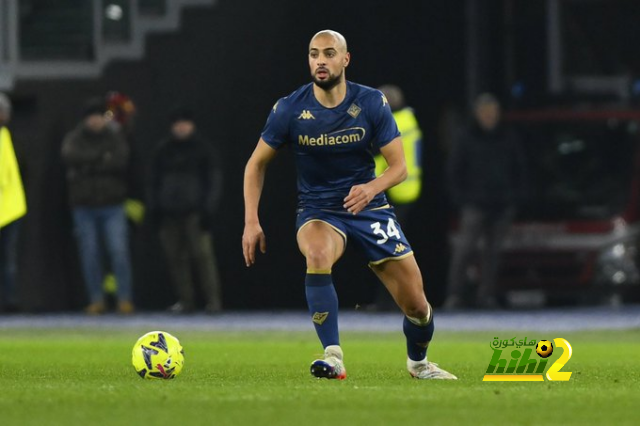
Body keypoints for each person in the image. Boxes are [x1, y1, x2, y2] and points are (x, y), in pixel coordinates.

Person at [242, 30, 456, 380]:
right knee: (317, 253)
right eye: (314, 54)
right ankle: (333, 355)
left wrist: (372, 188)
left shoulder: (371, 102)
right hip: (319, 210)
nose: (320, 61)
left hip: (369, 207)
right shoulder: (290, 108)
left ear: (345, 59)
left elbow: (399, 167)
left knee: (417, 305)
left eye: (328, 53)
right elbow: (255, 164)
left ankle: (418, 363)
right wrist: (251, 220)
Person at [444, 93, 527, 309]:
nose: (490, 117)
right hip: (474, 203)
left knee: (493, 253)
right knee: (464, 250)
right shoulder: (466, 136)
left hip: (502, 203)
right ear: (477, 114)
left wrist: (514, 196)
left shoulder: (508, 136)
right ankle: (454, 295)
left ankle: (487, 295)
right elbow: (454, 170)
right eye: (486, 113)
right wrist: (461, 198)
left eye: (494, 113)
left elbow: (519, 168)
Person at [61, 98, 134, 314]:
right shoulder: (74, 138)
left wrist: (88, 165)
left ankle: (124, 299)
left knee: (118, 251)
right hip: (84, 207)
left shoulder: (115, 137)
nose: (94, 121)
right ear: (85, 119)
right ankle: (96, 299)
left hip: (112, 205)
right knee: (90, 254)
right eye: (90, 117)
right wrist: (102, 158)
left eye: (97, 116)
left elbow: (121, 160)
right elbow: (70, 156)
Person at [148, 107, 223, 314]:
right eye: (177, 123)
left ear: (192, 125)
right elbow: (153, 181)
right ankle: (185, 300)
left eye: (185, 123)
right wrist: (155, 206)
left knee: (203, 258)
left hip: (195, 213)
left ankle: (213, 302)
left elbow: (214, 181)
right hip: (169, 214)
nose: (181, 127)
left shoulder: (203, 149)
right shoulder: (163, 150)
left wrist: (208, 208)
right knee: (175, 259)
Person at [369, 84, 423, 311]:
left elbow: (381, 158)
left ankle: (391, 301)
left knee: (390, 251)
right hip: (404, 192)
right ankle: (394, 300)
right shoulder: (408, 119)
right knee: (393, 249)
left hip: (396, 192)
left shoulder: (396, 123)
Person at [0, 92, 26, 312]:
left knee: (9, 258)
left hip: (11, 207)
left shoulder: (11, 137)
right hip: (10, 205)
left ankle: (10, 301)